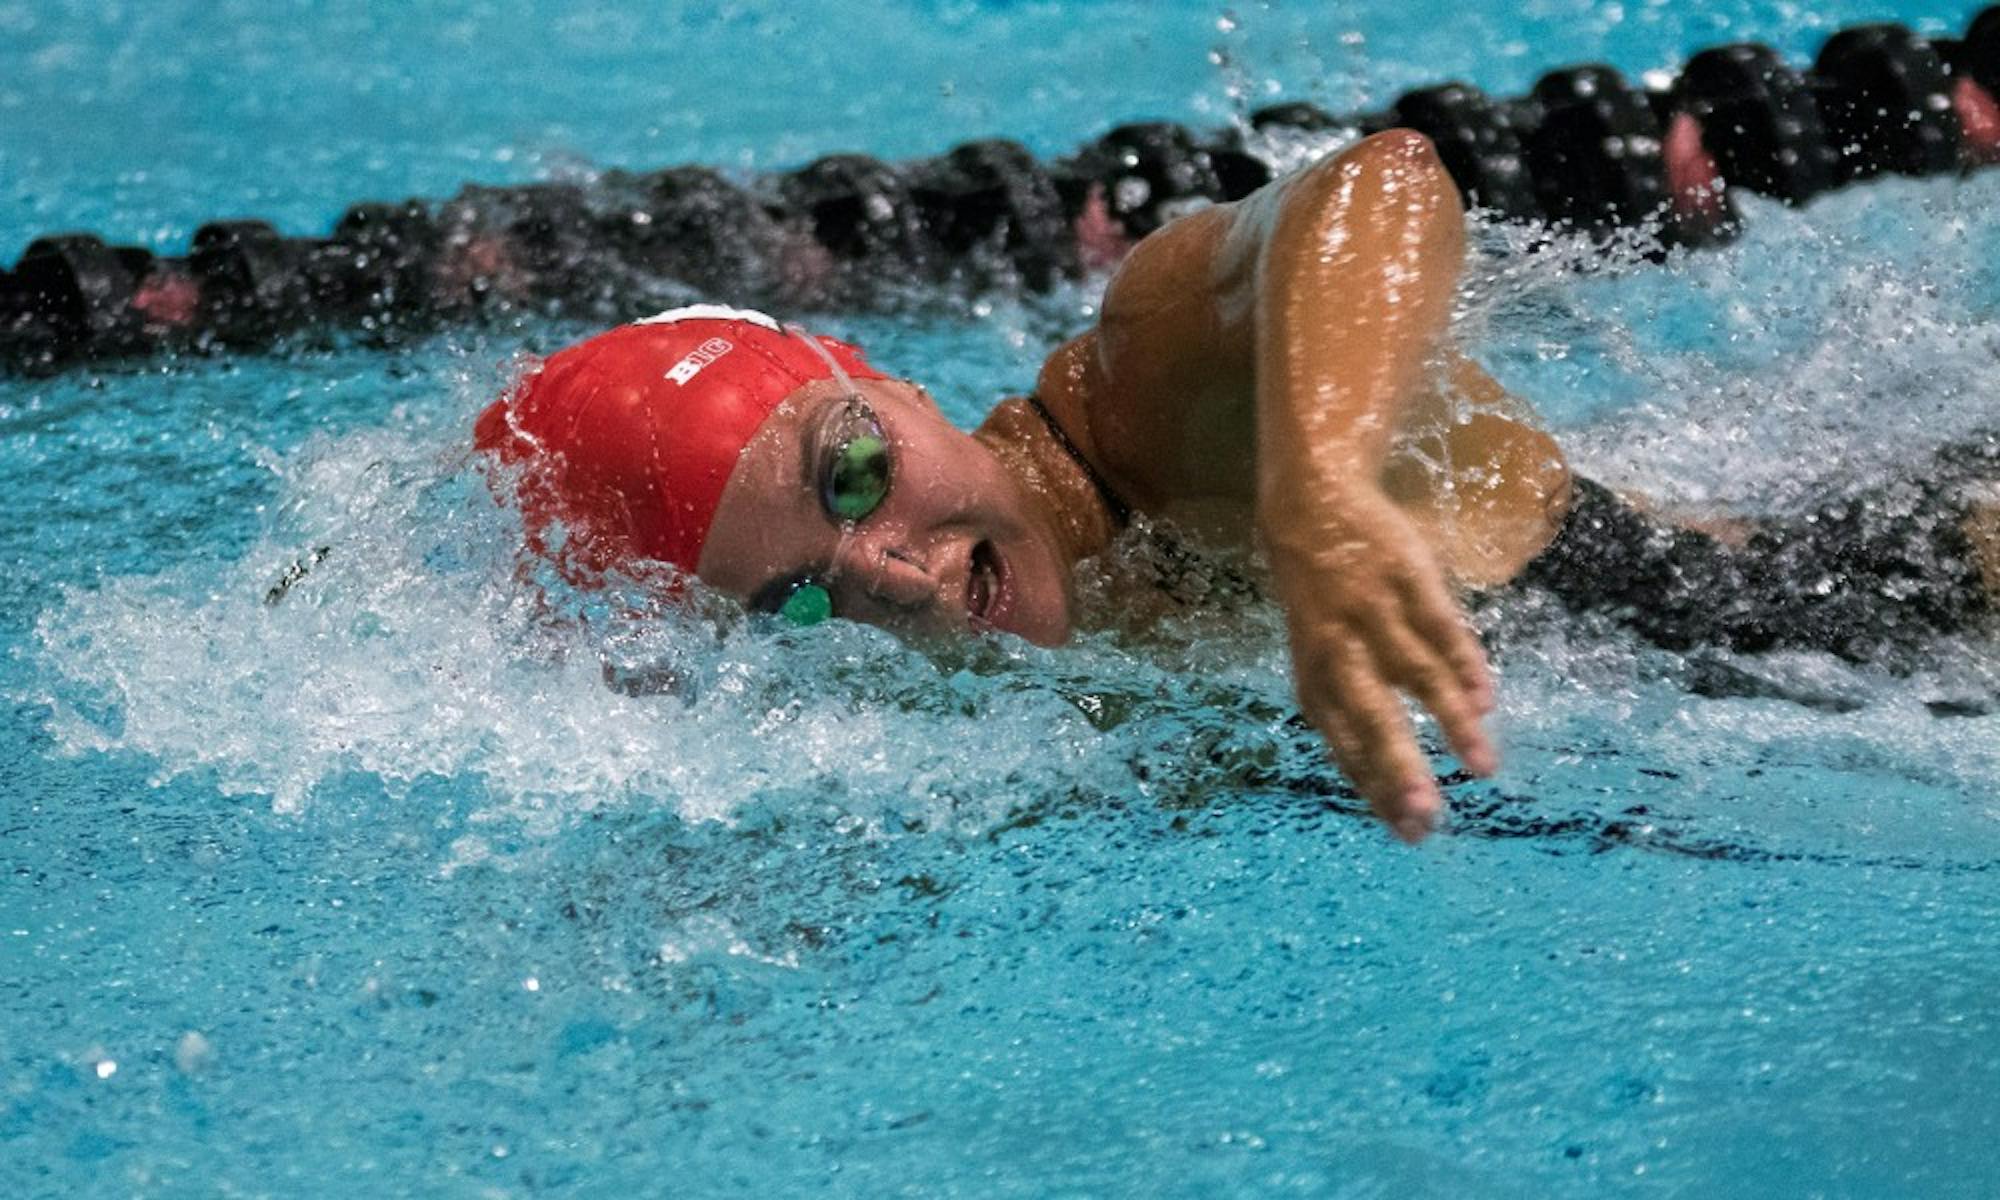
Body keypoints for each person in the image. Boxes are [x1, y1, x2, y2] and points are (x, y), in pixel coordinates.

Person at [474, 131, 2000, 843]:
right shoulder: (943, 695)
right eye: (802, 593)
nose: (885, 575)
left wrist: (1319, 484)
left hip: (1871, 609)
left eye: (855, 474)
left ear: (900, 387)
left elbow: (1379, 186)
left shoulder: (1144, 385)